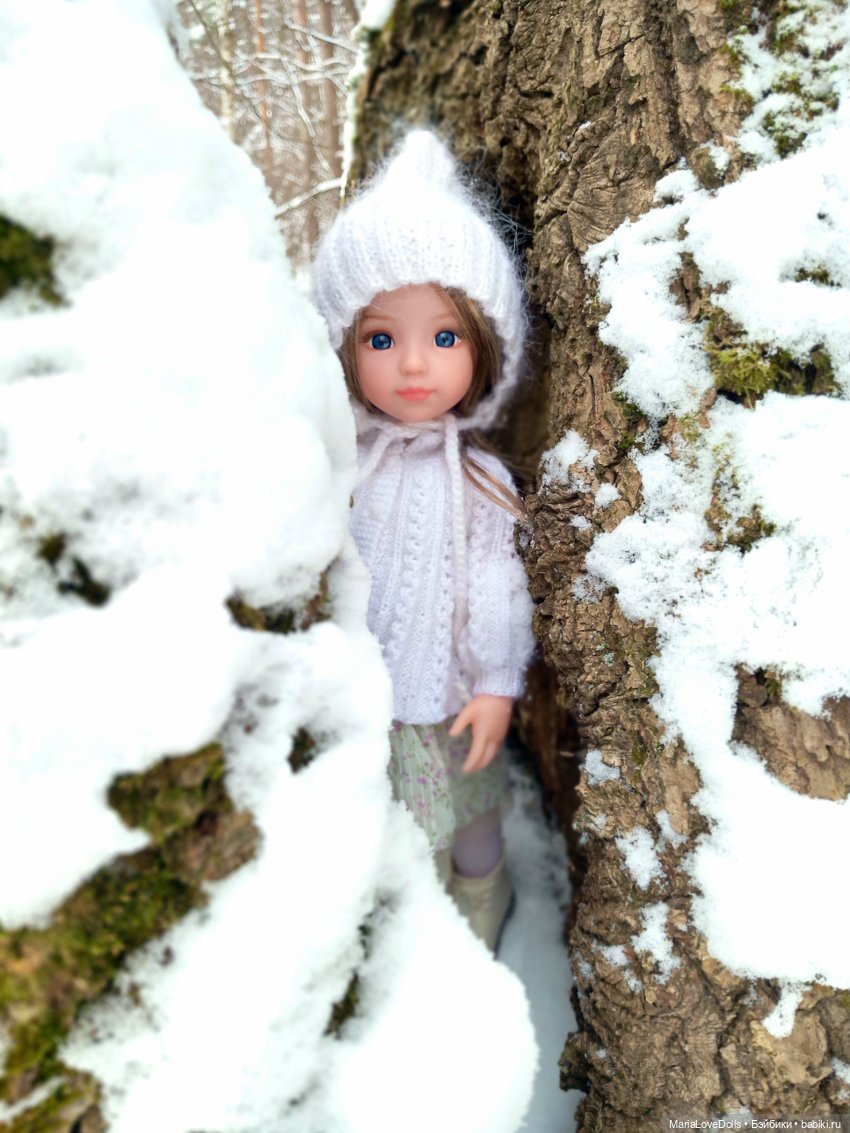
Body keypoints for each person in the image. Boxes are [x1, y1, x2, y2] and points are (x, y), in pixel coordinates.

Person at [312, 129, 534, 953]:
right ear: (343, 348)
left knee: (470, 817)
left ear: (484, 347)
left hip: (450, 698)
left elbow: (496, 584)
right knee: (385, 821)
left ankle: (482, 900)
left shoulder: (479, 479)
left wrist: (499, 681)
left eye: (444, 337)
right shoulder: (341, 465)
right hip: (361, 697)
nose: (413, 366)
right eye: (381, 339)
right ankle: (405, 929)